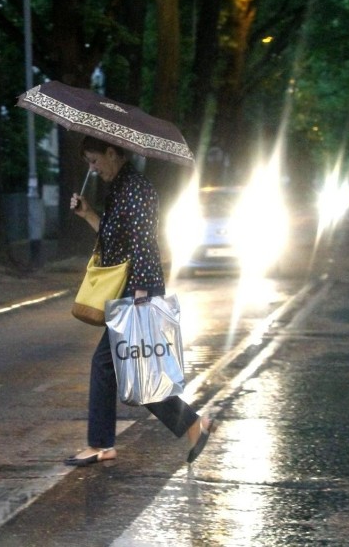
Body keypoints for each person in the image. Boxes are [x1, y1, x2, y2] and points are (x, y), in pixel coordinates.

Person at [67, 135, 216, 466]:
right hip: (134, 290)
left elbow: (144, 244)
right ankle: (192, 424)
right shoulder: (121, 187)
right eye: (88, 163)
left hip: (139, 290)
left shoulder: (136, 189)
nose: (92, 168)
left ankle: (103, 444)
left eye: (94, 160)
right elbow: (113, 239)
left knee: (113, 366)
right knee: (135, 371)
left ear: (112, 153)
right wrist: (88, 213)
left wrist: (141, 294)